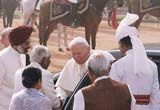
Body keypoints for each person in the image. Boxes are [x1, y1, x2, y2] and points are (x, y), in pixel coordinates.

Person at [109, 13, 160, 110]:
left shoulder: (117, 65)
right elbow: (156, 96)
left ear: (122, 44)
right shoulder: (152, 65)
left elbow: (113, 94)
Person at [14, 45, 62, 109]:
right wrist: (61, 99)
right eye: (49, 59)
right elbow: (54, 103)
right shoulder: (44, 74)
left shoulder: (19, 72)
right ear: (44, 60)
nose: (49, 62)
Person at [0, 25, 33, 110]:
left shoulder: (24, 56)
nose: (29, 46)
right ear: (17, 43)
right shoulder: (2, 58)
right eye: (26, 43)